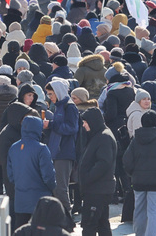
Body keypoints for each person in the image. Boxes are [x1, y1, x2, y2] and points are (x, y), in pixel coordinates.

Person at [124, 110, 156, 236]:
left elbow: (127, 160)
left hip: (138, 181)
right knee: (154, 212)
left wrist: (133, 174)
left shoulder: (135, 141)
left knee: (139, 210)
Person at [8, 116, 57, 228]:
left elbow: (11, 176)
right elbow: (48, 176)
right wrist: (52, 188)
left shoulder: (13, 148)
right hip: (40, 200)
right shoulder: (42, 148)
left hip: (20, 201)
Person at [78, 107, 117, 236]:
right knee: (102, 223)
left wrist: (87, 177)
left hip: (97, 189)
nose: (83, 125)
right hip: (99, 188)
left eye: (85, 122)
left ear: (92, 121)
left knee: (90, 224)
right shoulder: (99, 135)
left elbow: (103, 163)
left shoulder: (103, 137)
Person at [44, 79, 79, 214]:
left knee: (61, 188)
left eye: (51, 94)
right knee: (56, 188)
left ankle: (67, 218)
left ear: (58, 92)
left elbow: (71, 128)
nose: (50, 97)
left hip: (64, 152)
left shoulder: (69, 107)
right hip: (57, 151)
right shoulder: (60, 106)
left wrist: (51, 125)